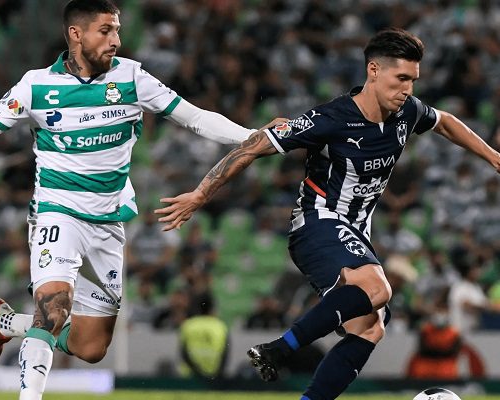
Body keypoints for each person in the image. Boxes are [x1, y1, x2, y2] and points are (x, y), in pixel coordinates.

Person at [0, 1, 281, 398]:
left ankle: (8, 324)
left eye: (117, 30)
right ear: (76, 34)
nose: (116, 40)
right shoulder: (35, 86)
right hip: (57, 212)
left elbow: (194, 117)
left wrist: (251, 136)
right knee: (54, 307)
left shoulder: (133, 78)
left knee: (90, 348)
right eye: (105, 30)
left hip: (107, 221)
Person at [155, 28, 500, 400]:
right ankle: (279, 349)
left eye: (413, 81)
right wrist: (200, 194)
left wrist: (493, 157)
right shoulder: (330, 118)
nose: (408, 90)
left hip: (355, 231)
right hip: (315, 224)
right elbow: (254, 146)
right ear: (373, 70)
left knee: (371, 327)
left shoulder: (406, 113)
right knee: (377, 288)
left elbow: (445, 121)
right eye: (401, 78)